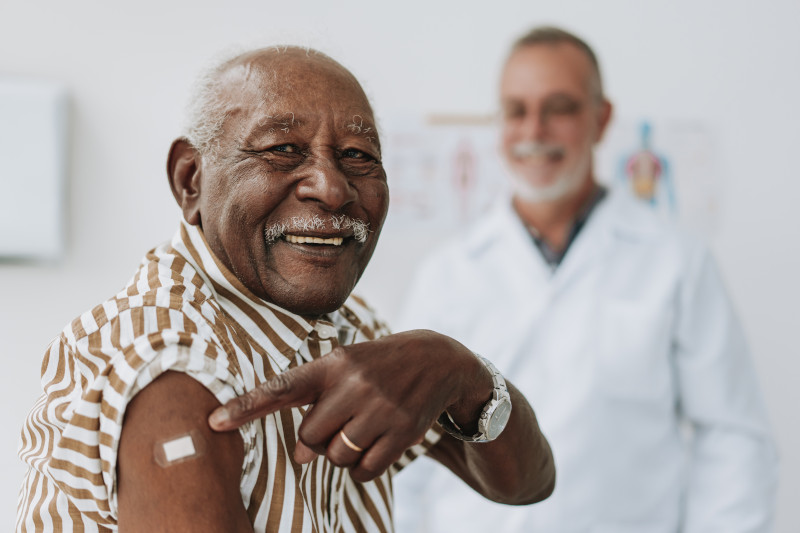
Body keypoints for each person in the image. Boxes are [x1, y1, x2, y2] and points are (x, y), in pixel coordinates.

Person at [16, 47, 556, 532]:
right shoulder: (167, 358)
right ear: (191, 179)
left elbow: (527, 483)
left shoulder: (350, 326)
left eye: (358, 156)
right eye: (282, 148)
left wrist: (461, 371)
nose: (331, 187)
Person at [394, 26, 778, 532]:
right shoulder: (448, 273)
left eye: (560, 108)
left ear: (602, 119)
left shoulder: (677, 261)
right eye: (517, 110)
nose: (534, 130)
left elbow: (733, 439)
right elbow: (408, 452)